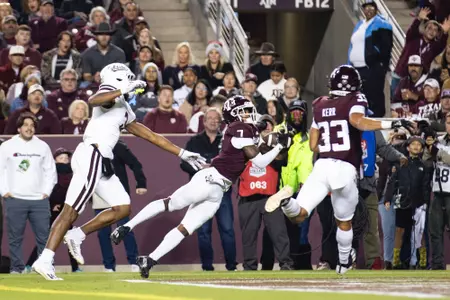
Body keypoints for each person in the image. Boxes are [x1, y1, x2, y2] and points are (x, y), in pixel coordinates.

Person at [31, 63, 206, 280]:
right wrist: (124, 89)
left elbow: (150, 135)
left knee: (122, 207)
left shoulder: (123, 105)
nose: (131, 80)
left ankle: (77, 234)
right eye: (127, 78)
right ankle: (45, 259)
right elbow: (93, 100)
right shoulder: (108, 93)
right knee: (71, 211)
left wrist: (181, 153)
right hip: (92, 154)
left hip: (102, 162)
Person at [111, 95, 292, 279]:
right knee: (170, 204)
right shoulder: (239, 128)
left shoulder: (243, 129)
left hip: (219, 190)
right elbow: (260, 162)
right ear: (234, 115)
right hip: (210, 179)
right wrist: (278, 146)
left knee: (186, 228)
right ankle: (126, 227)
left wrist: (276, 135)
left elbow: (259, 136)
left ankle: (149, 260)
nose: (248, 115)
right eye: (243, 112)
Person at [264, 64, 414, 275]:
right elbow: (357, 121)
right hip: (344, 169)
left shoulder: (319, 104)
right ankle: (344, 263)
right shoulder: (356, 99)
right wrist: (392, 123)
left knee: (299, 214)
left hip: (322, 166)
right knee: (344, 221)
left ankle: (287, 201)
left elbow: (313, 145)